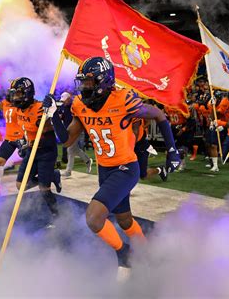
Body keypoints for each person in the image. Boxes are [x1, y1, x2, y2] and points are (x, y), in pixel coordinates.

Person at [43, 57, 181, 277]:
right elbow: (67, 140)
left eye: (89, 82)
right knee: (125, 219)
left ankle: (124, 254)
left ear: (104, 82)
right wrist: (53, 116)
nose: (85, 87)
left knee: (94, 218)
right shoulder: (80, 104)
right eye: (83, 82)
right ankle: (145, 252)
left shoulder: (123, 99)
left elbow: (158, 114)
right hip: (105, 170)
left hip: (126, 167)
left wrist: (172, 149)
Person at [10, 77, 62, 220]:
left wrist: (45, 123)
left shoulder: (40, 108)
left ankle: (57, 216)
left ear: (27, 93)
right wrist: (23, 142)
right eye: (14, 94)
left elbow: (51, 129)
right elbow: (25, 130)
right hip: (31, 150)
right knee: (20, 185)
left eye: (18, 94)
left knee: (44, 189)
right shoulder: (18, 110)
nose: (15, 97)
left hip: (46, 151)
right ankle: (52, 175)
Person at [58, 92, 93, 177]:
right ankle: (87, 160)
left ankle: (68, 171)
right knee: (74, 150)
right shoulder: (63, 107)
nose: (63, 102)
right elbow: (60, 117)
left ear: (69, 99)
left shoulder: (75, 105)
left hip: (77, 130)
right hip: (68, 131)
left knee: (70, 150)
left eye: (65, 100)